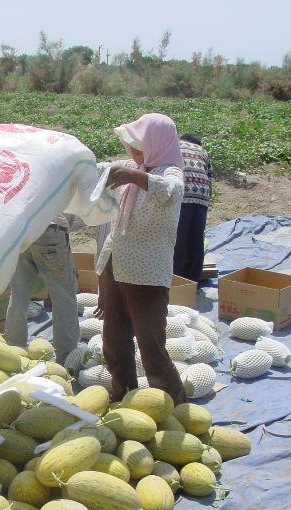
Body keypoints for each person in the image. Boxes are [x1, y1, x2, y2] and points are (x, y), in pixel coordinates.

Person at [96, 113, 187, 406]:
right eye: (130, 145)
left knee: (151, 346)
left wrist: (136, 176)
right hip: (116, 262)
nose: (132, 151)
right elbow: (99, 179)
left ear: (157, 143)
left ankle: (173, 403)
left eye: (138, 145)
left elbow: (170, 193)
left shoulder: (170, 173)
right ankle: (123, 391)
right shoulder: (136, 170)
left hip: (146, 273)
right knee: (113, 338)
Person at [5, 214, 80, 365]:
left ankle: (13, 349)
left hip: (20, 231)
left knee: (18, 294)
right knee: (63, 297)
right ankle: (66, 357)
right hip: (49, 230)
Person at [173, 133, 214, 283]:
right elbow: (210, 180)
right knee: (197, 238)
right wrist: (206, 201)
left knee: (179, 237)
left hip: (183, 193)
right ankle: (193, 281)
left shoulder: (176, 145)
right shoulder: (203, 151)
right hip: (202, 196)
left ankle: (175, 280)